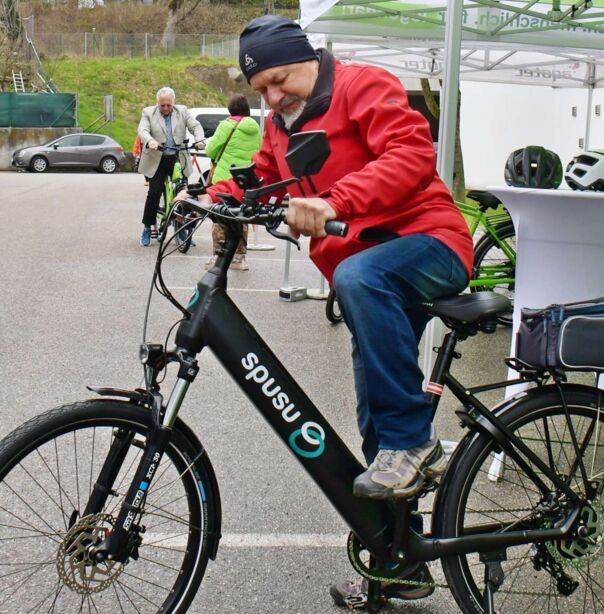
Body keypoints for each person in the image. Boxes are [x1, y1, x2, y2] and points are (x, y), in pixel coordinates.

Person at [180, 15, 473, 606]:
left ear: (308, 60)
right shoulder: (278, 126)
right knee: (374, 421)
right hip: (371, 279)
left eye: (279, 81)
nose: (272, 98)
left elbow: (411, 156)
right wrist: (210, 195)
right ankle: (400, 560)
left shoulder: (364, 85)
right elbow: (263, 179)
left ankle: (415, 441)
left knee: (360, 283)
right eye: (260, 89)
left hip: (429, 243)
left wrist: (335, 201)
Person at [137, 86, 205, 247]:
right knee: (154, 193)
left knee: (184, 195)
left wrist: (200, 139)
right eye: (163, 105)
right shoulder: (148, 113)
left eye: (169, 105)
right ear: (158, 103)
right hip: (157, 159)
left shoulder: (182, 111)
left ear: (173, 103)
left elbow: (195, 126)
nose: (166, 108)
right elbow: (142, 130)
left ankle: (182, 229)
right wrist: (150, 141)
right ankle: (147, 228)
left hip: (177, 158)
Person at [204, 94, 263, 271]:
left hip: (224, 178)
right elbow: (259, 151)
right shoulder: (255, 128)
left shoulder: (226, 125)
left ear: (230, 109)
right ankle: (239, 258)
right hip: (245, 179)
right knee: (242, 217)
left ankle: (218, 257)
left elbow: (210, 150)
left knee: (220, 217)